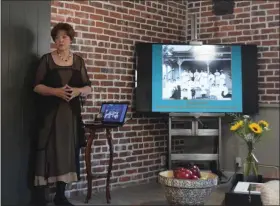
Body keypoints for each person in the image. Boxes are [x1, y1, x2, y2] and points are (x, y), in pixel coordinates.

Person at [32, 22, 92, 205]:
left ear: (71, 39)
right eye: (57, 37)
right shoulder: (46, 60)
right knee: (47, 150)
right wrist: (55, 91)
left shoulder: (79, 61)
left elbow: (88, 88)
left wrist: (77, 91)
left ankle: (60, 196)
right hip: (49, 115)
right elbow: (36, 86)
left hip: (70, 116)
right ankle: (40, 198)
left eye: (64, 36)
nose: (60, 40)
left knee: (66, 152)